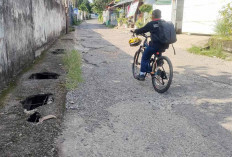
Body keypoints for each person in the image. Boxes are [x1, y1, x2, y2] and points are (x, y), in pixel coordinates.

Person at [134, 9, 169, 81]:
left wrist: (136, 31)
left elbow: (142, 29)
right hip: (164, 45)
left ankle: (142, 74)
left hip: (155, 45)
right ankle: (159, 65)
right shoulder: (164, 23)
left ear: (153, 15)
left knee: (145, 57)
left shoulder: (151, 24)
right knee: (158, 53)